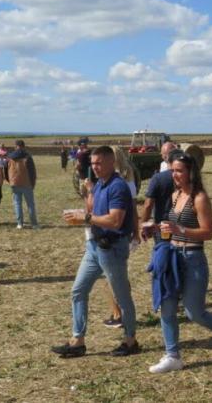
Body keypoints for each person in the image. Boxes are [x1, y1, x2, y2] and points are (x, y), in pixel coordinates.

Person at [148, 153, 212, 373]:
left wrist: (180, 230)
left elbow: (209, 232)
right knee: (167, 308)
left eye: (179, 171)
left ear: (190, 173)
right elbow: (172, 225)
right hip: (172, 256)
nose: (174, 175)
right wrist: (156, 228)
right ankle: (172, 356)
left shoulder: (199, 198)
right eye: (172, 170)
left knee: (193, 312)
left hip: (193, 258)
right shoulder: (175, 195)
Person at [52, 146, 140, 358]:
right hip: (95, 246)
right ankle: (77, 340)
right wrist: (84, 208)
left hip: (112, 248)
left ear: (112, 163)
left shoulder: (118, 186)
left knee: (122, 296)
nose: (95, 167)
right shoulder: (101, 184)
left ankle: (130, 340)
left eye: (99, 163)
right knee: (78, 290)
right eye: (92, 163)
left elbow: (115, 220)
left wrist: (87, 218)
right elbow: (93, 210)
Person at [101, 146, 141, 329]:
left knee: (112, 276)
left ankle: (119, 314)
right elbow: (133, 208)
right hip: (124, 231)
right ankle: (122, 312)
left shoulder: (114, 180)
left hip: (112, 232)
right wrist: (135, 230)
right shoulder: (129, 175)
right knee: (119, 275)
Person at [141, 148, 180, 244]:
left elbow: (148, 205)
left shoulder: (158, 178)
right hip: (184, 227)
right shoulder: (190, 179)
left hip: (163, 226)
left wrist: (143, 225)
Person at [6, 140, 38, 229]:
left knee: (17, 203)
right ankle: (34, 224)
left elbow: (6, 169)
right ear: (23, 146)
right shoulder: (27, 156)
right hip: (27, 183)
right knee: (30, 204)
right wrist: (33, 182)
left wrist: (10, 180)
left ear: (16, 146)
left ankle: (19, 224)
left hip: (14, 183)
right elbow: (32, 171)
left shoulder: (10, 157)